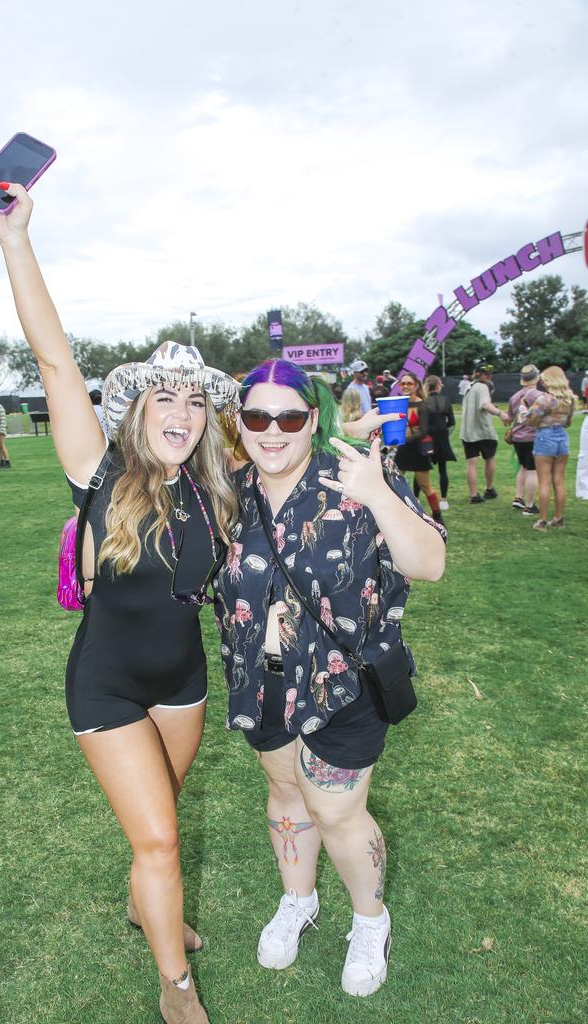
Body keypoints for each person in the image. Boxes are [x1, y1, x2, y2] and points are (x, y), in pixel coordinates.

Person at [0, 149, 240, 1024]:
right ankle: (174, 984)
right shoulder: (99, 472)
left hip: (184, 685)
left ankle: (140, 901)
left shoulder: (211, 485)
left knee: (160, 821)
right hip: (110, 684)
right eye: (164, 397)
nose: (180, 410)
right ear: (136, 408)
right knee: (157, 836)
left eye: (194, 401)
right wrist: (14, 243)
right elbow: (53, 362)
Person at [213, 358, 445, 999]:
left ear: (312, 419)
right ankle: (299, 900)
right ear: (242, 423)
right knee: (286, 792)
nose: (273, 430)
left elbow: (429, 564)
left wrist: (376, 493)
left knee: (336, 808)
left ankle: (371, 921)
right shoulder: (230, 491)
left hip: (343, 680)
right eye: (257, 416)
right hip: (260, 679)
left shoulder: (356, 475)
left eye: (288, 416)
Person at [524, 366, 577, 530]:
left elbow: (530, 420)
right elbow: (568, 422)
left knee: (545, 482)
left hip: (545, 438)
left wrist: (524, 410)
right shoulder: (571, 399)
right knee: (559, 482)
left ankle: (542, 521)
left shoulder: (545, 399)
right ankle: (558, 518)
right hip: (562, 438)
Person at [393, 375, 444, 525]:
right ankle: (398, 514)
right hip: (403, 450)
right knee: (394, 482)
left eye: (409, 383)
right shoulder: (400, 404)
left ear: (416, 386)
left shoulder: (423, 406)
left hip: (418, 450)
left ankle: (437, 515)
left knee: (425, 486)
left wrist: (403, 441)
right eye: (403, 384)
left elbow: (423, 431)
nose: (406, 386)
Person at [459, 363, 507, 504]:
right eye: (486, 374)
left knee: (471, 462)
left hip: (468, 431)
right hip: (484, 431)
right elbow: (484, 405)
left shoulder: (470, 386)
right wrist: (500, 413)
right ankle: (489, 489)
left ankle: (474, 495)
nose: (489, 376)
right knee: (489, 458)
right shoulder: (483, 387)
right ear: (480, 374)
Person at [506, 365, 541, 517]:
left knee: (523, 467)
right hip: (533, 436)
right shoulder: (539, 396)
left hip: (518, 437)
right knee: (533, 470)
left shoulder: (514, 397)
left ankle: (518, 497)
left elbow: (509, 417)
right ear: (536, 378)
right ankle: (529, 505)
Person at [424, 375, 456, 511]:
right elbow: (452, 422)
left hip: (427, 438)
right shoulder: (445, 400)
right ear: (438, 386)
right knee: (443, 470)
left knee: (422, 468)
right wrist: (443, 426)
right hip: (442, 437)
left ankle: (417, 498)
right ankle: (444, 500)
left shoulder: (424, 401)